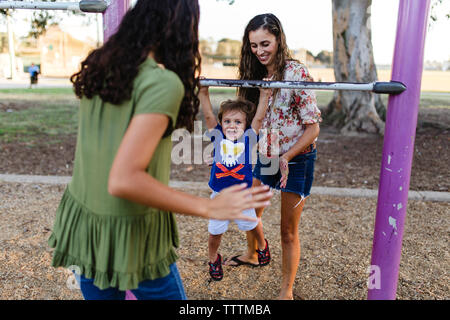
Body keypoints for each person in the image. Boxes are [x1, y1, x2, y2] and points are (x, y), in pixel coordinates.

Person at [47, 0, 272, 300]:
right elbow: (124, 179)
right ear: (181, 27)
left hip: (87, 223)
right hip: (132, 229)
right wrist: (209, 207)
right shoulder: (162, 82)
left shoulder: (103, 64)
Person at [224, 13, 322, 300]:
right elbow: (253, 122)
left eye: (265, 43)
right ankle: (254, 252)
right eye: (254, 46)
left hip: (297, 158)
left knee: (288, 232)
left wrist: (287, 156)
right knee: (249, 213)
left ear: (279, 38)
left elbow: (313, 128)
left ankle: (286, 291)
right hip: (268, 153)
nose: (260, 51)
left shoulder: (296, 72)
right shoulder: (257, 74)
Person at [198, 81, 272, 281]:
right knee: (215, 232)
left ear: (246, 125)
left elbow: (259, 118)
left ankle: (262, 245)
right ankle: (213, 258)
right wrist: (203, 92)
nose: (232, 125)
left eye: (238, 122)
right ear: (221, 124)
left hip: (243, 194)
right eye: (228, 121)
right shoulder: (218, 137)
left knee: (251, 222)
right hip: (220, 195)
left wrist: (264, 95)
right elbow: (208, 116)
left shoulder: (248, 138)